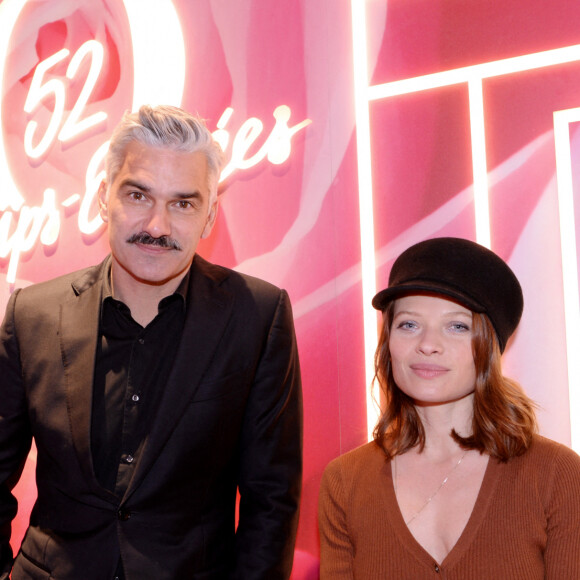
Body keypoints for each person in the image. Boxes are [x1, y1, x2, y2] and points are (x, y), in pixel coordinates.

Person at [0, 105, 303, 579]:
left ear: (209, 214)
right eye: (138, 195)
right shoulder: (32, 314)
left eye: (182, 203)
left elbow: (271, 503)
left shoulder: (257, 317)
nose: (157, 226)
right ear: (104, 197)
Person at [318, 237, 580, 579]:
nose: (427, 345)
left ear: (489, 345)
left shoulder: (557, 476)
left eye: (457, 326)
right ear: (389, 343)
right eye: (409, 324)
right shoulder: (345, 482)